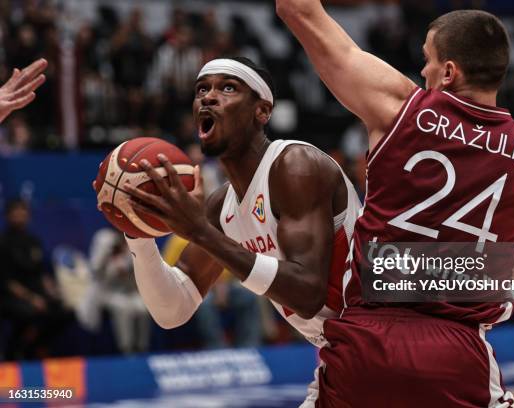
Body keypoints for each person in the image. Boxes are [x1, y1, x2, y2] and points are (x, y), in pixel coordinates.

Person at [277, 3, 514, 407]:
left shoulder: (400, 108)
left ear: (449, 72)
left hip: (366, 343)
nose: (422, 71)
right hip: (459, 354)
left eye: (427, 59)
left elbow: (296, 9)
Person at [112, 57, 361, 406]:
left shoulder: (295, 165)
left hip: (385, 342)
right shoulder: (220, 208)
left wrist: (201, 232)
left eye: (227, 88)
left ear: (262, 111)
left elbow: (307, 294)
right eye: (202, 89)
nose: (209, 97)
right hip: (341, 357)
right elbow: (173, 311)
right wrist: (137, 234)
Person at [0, 199, 73, 360]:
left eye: (23, 211)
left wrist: (52, 291)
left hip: (37, 292)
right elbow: (6, 281)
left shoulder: (33, 241)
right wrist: (32, 298)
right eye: (16, 211)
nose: (20, 214)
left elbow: (41, 272)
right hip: (12, 296)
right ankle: (16, 350)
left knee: (65, 312)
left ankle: (38, 346)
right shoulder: (3, 242)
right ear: (8, 215)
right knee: (30, 313)